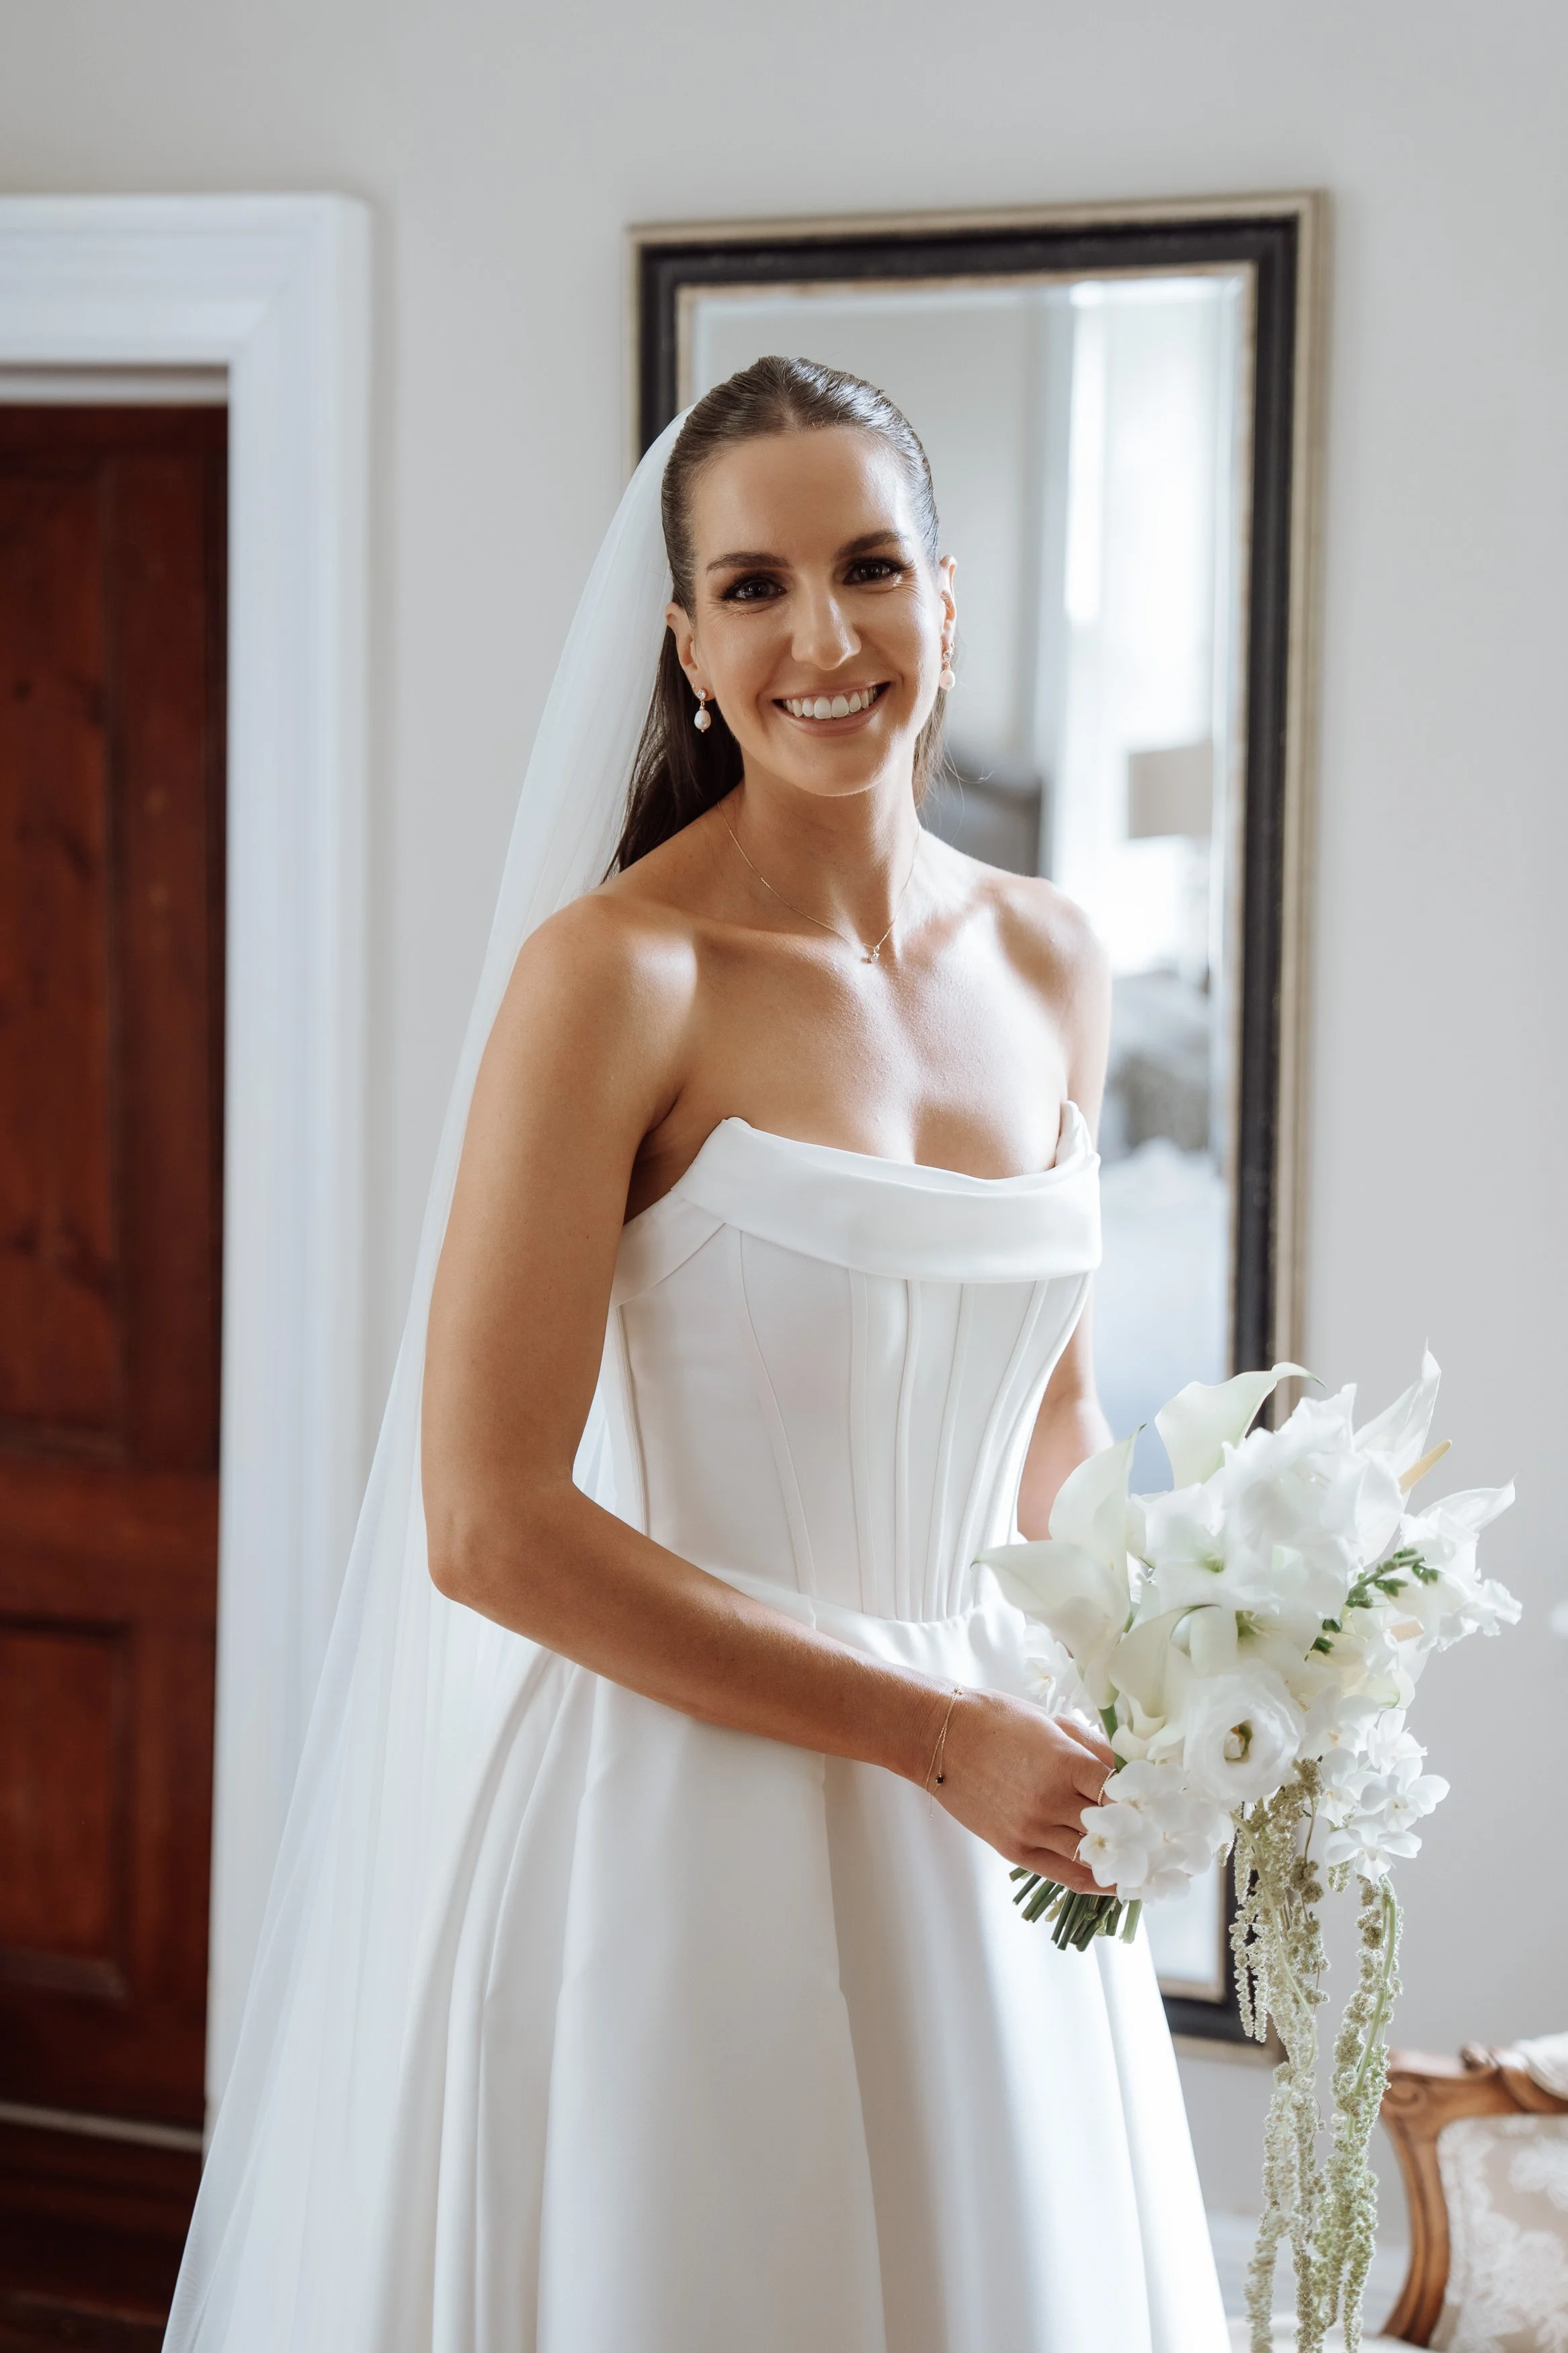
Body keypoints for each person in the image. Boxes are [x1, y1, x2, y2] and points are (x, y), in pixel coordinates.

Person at [166, 358, 1229, 2352]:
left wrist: (1202, 1681)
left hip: (1003, 1839)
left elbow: (1059, 1420)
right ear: (683, 644)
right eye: (752, 587)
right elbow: (486, 1526)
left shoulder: (1052, 958)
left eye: (867, 568)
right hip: (694, 1822)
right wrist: (929, 1733)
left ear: (946, 598)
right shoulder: (613, 975)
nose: (821, 639)